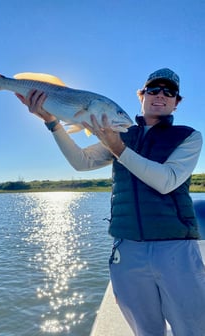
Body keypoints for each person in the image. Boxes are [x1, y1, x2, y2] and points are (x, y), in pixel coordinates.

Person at [16, 68, 205, 336]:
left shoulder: (188, 136)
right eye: (153, 90)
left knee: (192, 329)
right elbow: (81, 162)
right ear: (142, 95)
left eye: (169, 92)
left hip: (175, 247)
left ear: (177, 102)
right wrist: (52, 122)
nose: (160, 96)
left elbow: (167, 181)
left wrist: (117, 147)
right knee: (146, 330)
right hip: (128, 250)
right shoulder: (118, 133)